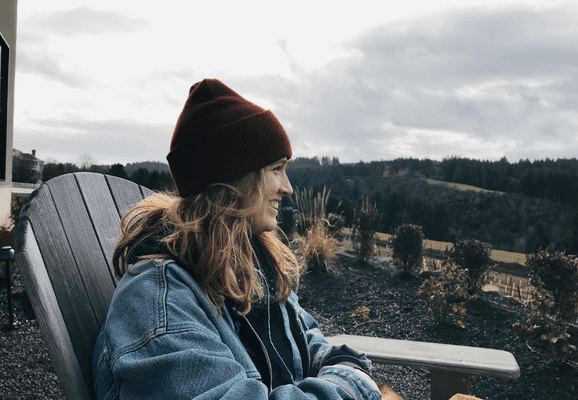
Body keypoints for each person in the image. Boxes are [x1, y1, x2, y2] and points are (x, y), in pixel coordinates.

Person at [92, 79, 384, 400]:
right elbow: (347, 373)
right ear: (237, 180)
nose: (287, 187)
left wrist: (345, 372)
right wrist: (353, 386)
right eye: (276, 169)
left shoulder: (251, 267)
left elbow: (318, 349)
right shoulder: (158, 301)